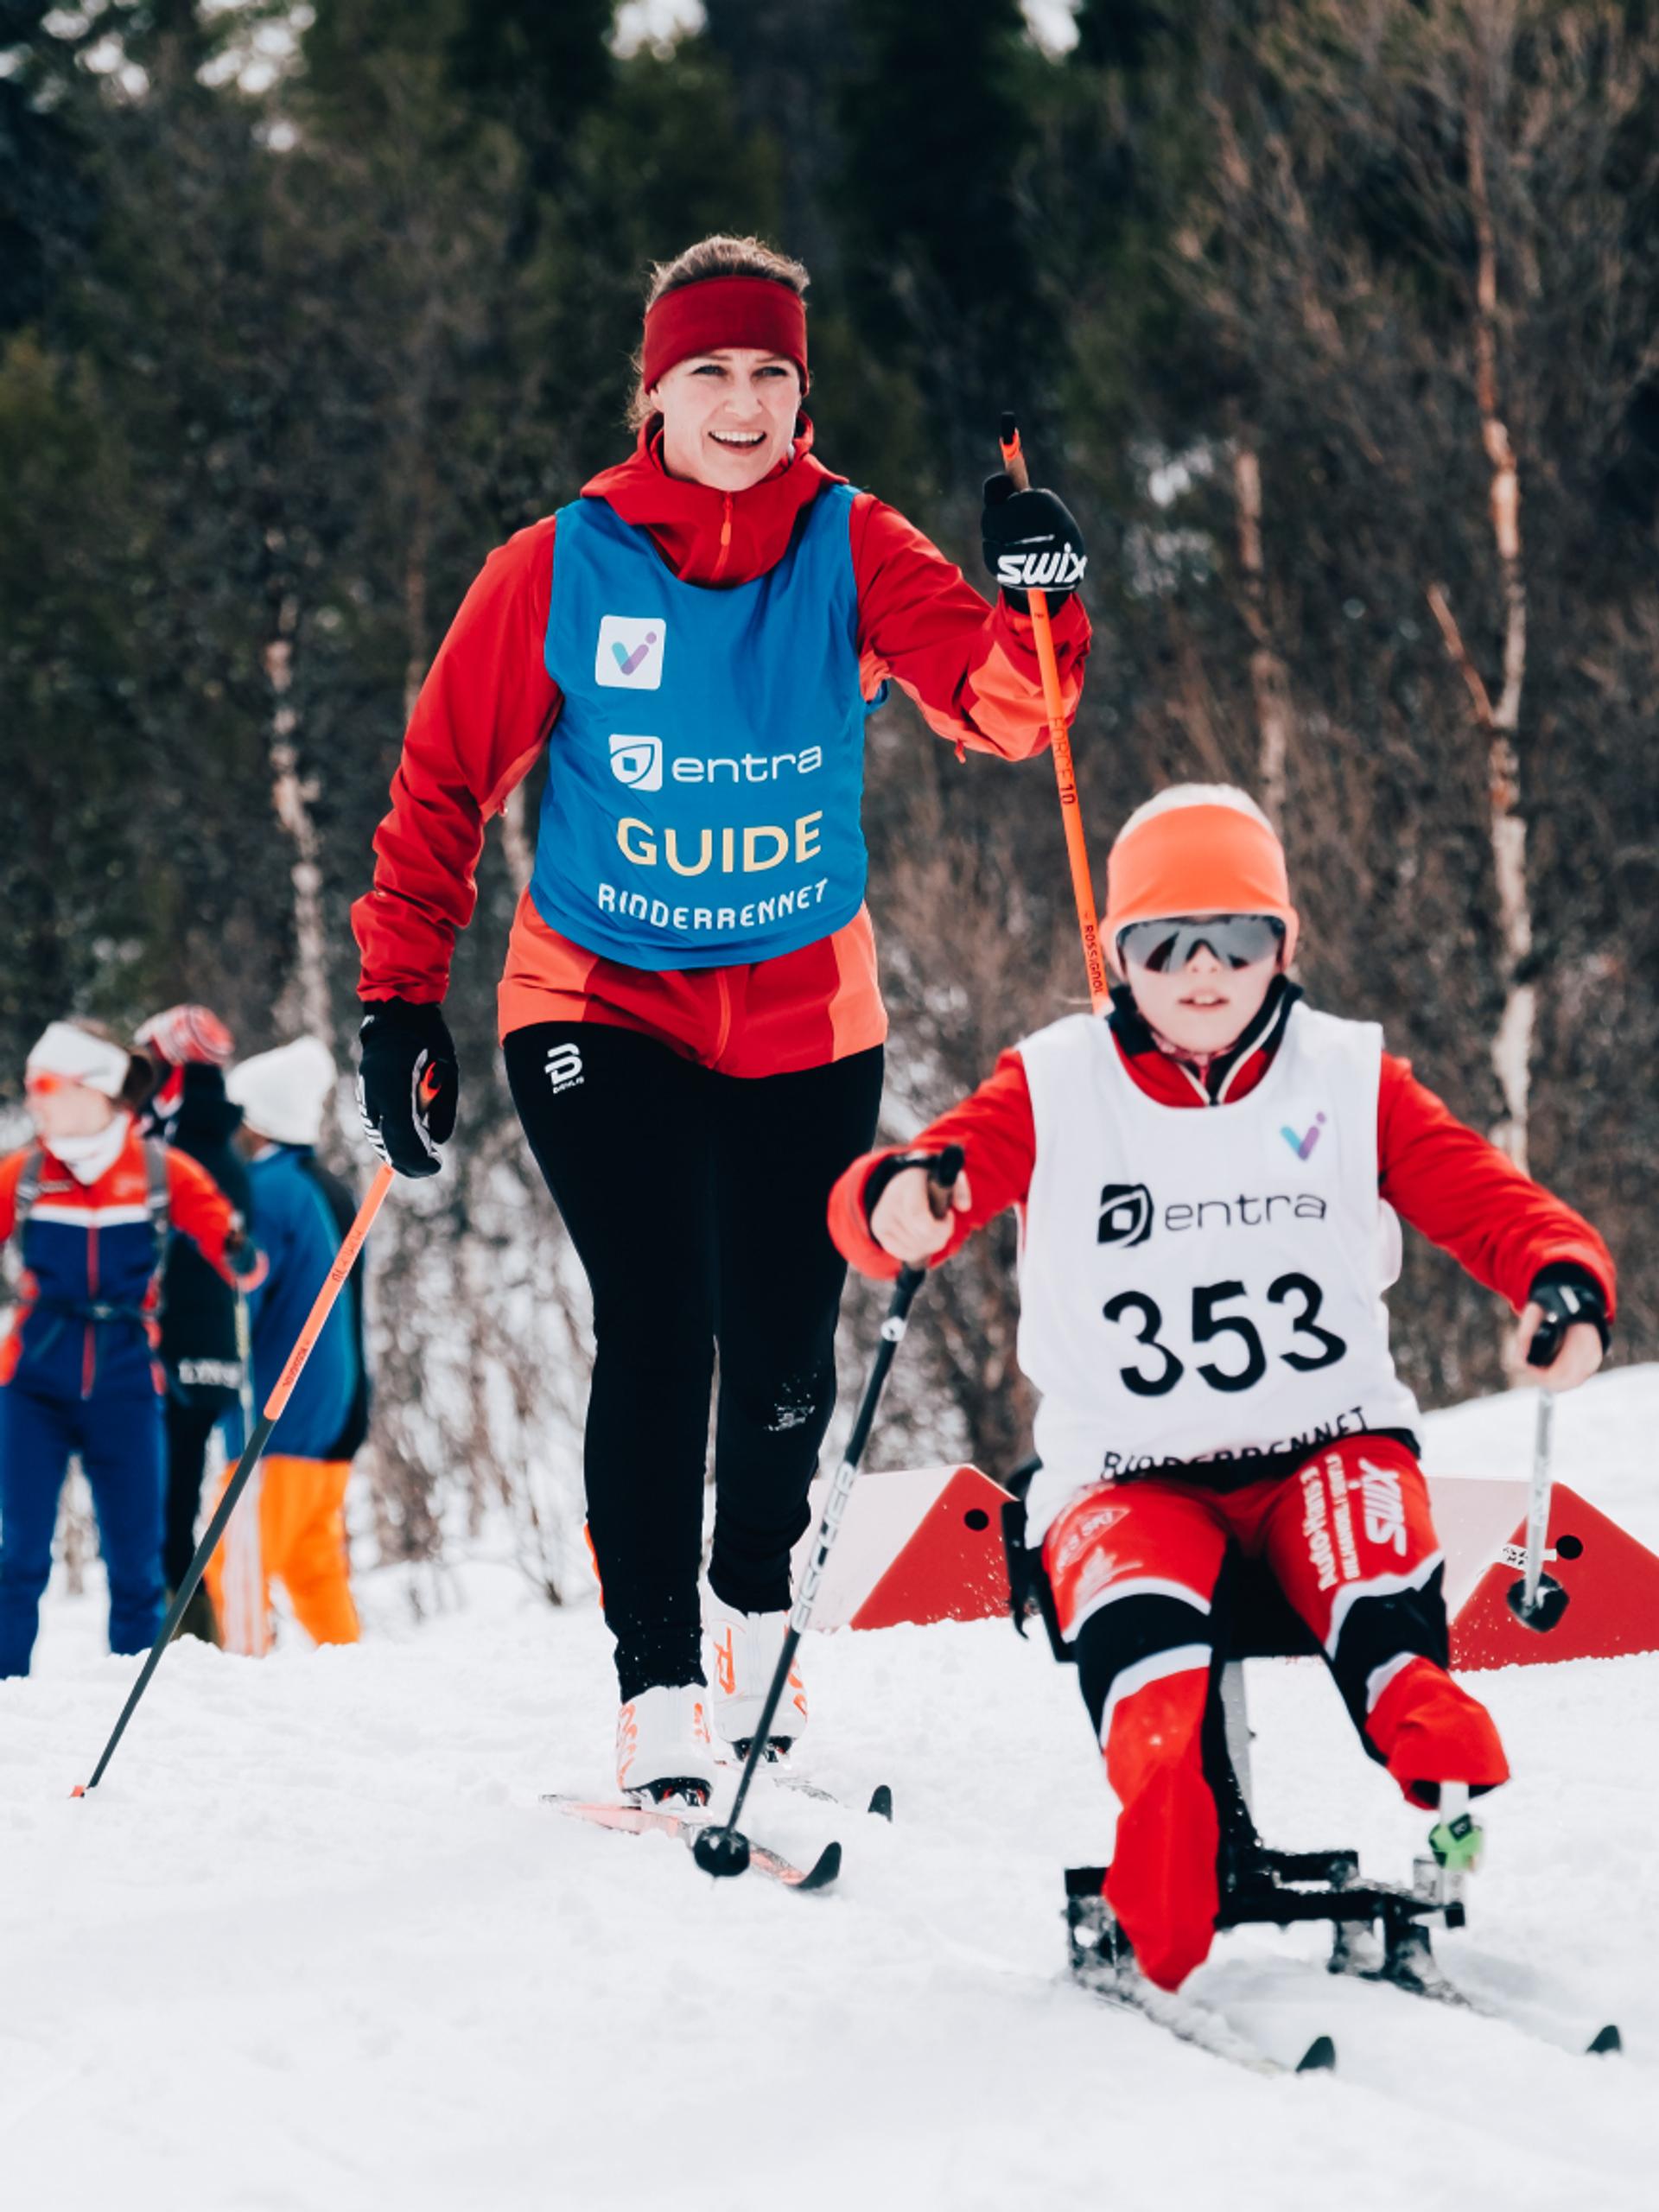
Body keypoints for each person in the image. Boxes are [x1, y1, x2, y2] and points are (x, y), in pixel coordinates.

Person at [352, 233, 1092, 1802]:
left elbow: (1006, 713)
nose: (744, 403)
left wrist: (1046, 606)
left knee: (781, 1356)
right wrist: (400, 998)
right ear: (655, 392)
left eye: (771, 374)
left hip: (807, 1010)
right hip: (597, 996)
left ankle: (757, 1619)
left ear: (800, 392)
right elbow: (441, 788)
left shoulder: (853, 543)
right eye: (712, 374)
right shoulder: (559, 565)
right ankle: (659, 1684)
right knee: (662, 1319)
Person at [829, 784, 1615, 1993]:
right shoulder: (1057, 1082)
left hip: (1325, 1446)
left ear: (1282, 949)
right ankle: (1168, 1803)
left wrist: (1562, 1286)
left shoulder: (1349, 1079)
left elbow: (1493, 1205)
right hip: (1130, 1473)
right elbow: (927, 1182)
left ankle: (1412, 1699)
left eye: (1237, 939)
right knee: (1142, 1635)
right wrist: (898, 1201)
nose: (1203, 971)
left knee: (1365, 1541)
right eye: (1164, 943)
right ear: (1118, 960)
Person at [0, 1019, 260, 1677]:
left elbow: (232, 1248)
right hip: (32, 1383)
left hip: (124, 1383)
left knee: (138, 1564)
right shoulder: (25, 1174)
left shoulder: (157, 1170)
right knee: (20, 1557)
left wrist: (237, 1252)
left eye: (44, 1084)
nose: (32, 1098)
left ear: (95, 1090)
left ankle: (135, 1708)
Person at [202, 1038, 362, 1650]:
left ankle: (246, 1686)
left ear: (255, 1124)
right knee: (313, 1569)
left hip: (279, 1415)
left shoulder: (262, 1194)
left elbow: (243, 1295)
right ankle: (353, 1685)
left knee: (233, 1563)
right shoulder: (315, 1186)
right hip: (329, 1411)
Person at [134, 1002, 251, 1643]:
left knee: (163, 1509)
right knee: (174, 1504)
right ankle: (191, 1639)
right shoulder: (224, 1152)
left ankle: (184, 1644)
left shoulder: (174, 1154)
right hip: (212, 1357)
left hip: (170, 1353)